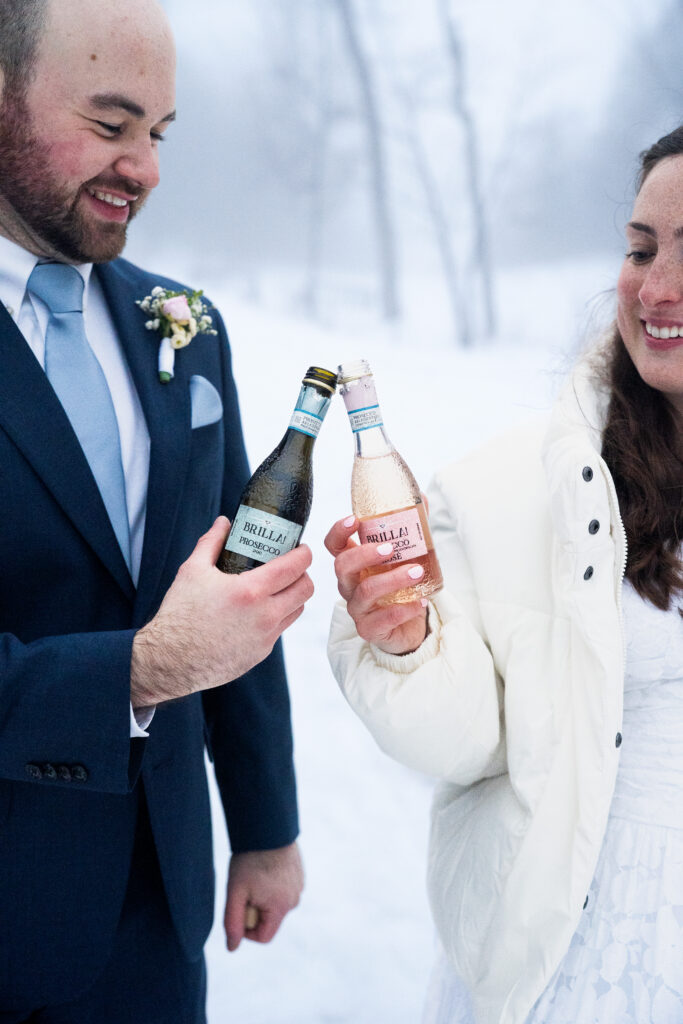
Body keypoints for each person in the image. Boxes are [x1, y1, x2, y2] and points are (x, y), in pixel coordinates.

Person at [326, 125, 683, 1024]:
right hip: (590, 937)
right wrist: (407, 647)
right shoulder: (510, 487)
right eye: (640, 249)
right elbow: (470, 742)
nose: (658, 287)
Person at [0, 1, 311, 1021]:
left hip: (159, 910)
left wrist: (265, 824)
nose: (146, 167)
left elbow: (233, 584)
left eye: (161, 132)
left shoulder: (184, 328)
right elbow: (173, 646)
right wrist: (139, 670)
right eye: (111, 123)